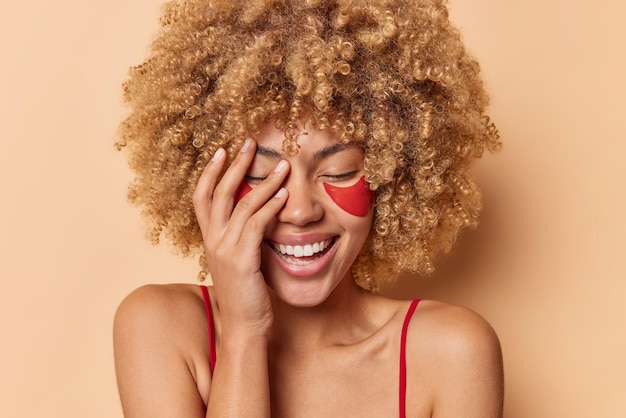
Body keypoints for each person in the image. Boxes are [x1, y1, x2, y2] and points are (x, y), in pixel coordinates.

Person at [113, 0, 504, 416]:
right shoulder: (161, 327)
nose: (299, 212)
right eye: (262, 175)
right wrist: (246, 331)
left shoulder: (451, 351)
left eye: (338, 170)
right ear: (210, 183)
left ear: (393, 177)